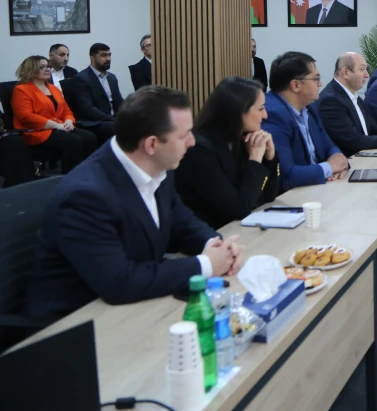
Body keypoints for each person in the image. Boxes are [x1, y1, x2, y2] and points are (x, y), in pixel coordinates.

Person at [25, 86, 245, 318]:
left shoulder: (158, 167)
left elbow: (184, 224)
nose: (192, 142)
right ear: (151, 145)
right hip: (77, 321)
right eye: (184, 136)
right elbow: (119, 282)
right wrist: (207, 265)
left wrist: (217, 247)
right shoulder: (85, 196)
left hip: (133, 305)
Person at [174, 77, 281, 229]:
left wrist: (270, 157)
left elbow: (269, 196)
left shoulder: (242, 139)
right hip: (211, 234)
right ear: (239, 111)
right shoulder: (199, 150)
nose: (265, 115)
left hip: (236, 230)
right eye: (260, 108)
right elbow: (239, 209)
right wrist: (255, 159)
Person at [261, 51, 349, 190]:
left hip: (317, 187)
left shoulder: (309, 107)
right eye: (316, 79)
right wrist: (329, 168)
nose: (320, 83)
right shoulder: (272, 115)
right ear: (296, 85)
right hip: (292, 196)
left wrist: (338, 160)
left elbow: (329, 145)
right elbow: (286, 176)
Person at [11, 56, 98, 173]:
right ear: (31, 69)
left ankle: (89, 172)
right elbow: (26, 116)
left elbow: (66, 110)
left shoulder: (53, 88)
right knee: (72, 141)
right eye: (42, 67)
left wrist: (69, 121)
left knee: (89, 137)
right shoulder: (21, 90)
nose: (47, 69)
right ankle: (71, 176)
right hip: (37, 132)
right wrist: (56, 125)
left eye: (48, 66)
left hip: (59, 127)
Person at [318, 52, 377, 157]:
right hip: (349, 162)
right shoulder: (331, 100)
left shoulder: (354, 96)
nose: (367, 75)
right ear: (345, 72)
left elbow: (372, 128)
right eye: (362, 69)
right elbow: (353, 140)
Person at [61, 43, 123, 144]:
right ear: (92, 58)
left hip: (111, 119)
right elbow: (87, 108)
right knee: (118, 127)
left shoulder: (112, 77)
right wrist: (112, 120)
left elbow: (119, 101)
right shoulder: (81, 78)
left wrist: (128, 114)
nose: (108, 59)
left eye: (109, 55)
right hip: (93, 122)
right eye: (103, 55)